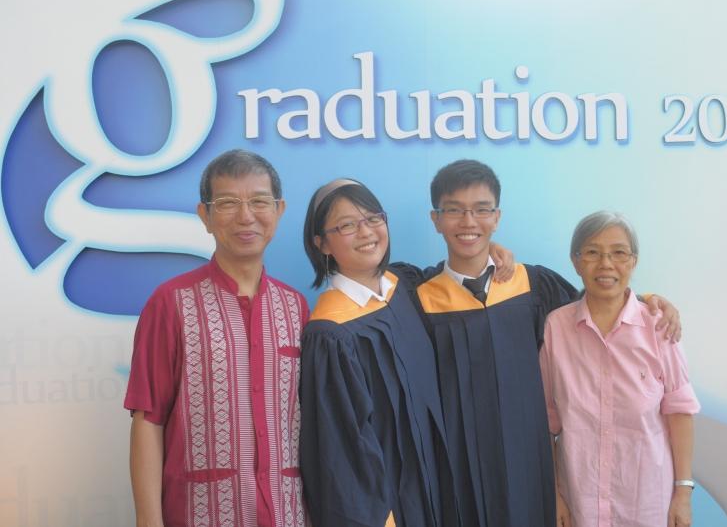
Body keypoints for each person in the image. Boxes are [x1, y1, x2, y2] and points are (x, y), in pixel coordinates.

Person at [412, 160, 682, 527]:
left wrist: (648, 300)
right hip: (460, 465)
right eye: (454, 210)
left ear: (497, 217)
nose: (468, 221)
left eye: (481, 210)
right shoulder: (419, 297)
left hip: (531, 459)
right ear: (436, 219)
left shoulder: (534, 286)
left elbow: (596, 307)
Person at [124, 150, 308, 527]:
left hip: (287, 514)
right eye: (227, 203)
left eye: (259, 201)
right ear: (205, 216)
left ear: (279, 210)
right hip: (199, 514)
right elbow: (148, 419)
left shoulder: (296, 307)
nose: (246, 216)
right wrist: (148, 520)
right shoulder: (171, 302)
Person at [299, 178, 462, 527]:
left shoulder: (405, 287)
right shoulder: (330, 335)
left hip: (438, 490)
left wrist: (492, 255)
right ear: (321, 243)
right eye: (347, 225)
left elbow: (459, 280)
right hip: (390, 509)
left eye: (373, 218)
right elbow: (342, 454)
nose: (366, 232)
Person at [539, 211, 699, 527]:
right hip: (579, 501)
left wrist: (683, 492)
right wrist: (554, 494)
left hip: (647, 501)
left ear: (633, 261)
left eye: (619, 253)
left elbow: (680, 412)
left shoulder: (659, 327)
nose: (606, 264)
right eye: (592, 252)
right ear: (575, 261)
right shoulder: (556, 327)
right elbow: (545, 419)